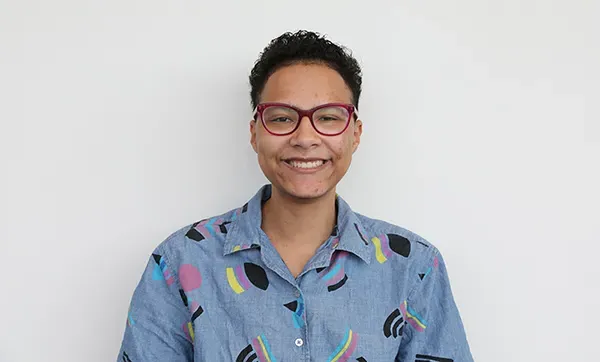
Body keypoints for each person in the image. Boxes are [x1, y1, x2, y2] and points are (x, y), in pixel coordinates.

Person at [118, 30, 474, 362]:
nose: (305, 138)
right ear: (255, 133)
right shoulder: (181, 262)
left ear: (355, 134)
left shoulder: (413, 267)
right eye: (283, 118)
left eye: (330, 118)